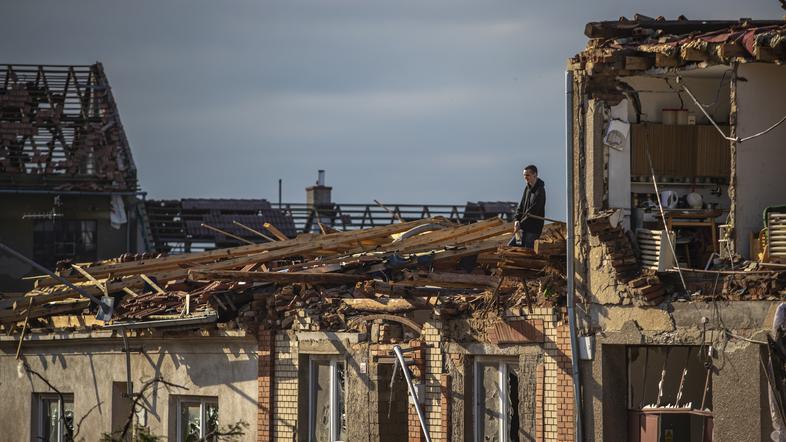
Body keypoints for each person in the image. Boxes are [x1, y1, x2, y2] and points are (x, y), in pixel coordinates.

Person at [512, 164, 546, 248]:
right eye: (524, 175)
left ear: (535, 175)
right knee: (511, 248)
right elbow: (521, 206)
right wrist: (516, 220)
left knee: (527, 252)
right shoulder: (527, 188)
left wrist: (520, 224)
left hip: (533, 230)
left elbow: (533, 211)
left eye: (527, 175)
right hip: (522, 229)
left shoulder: (540, 191)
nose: (525, 177)